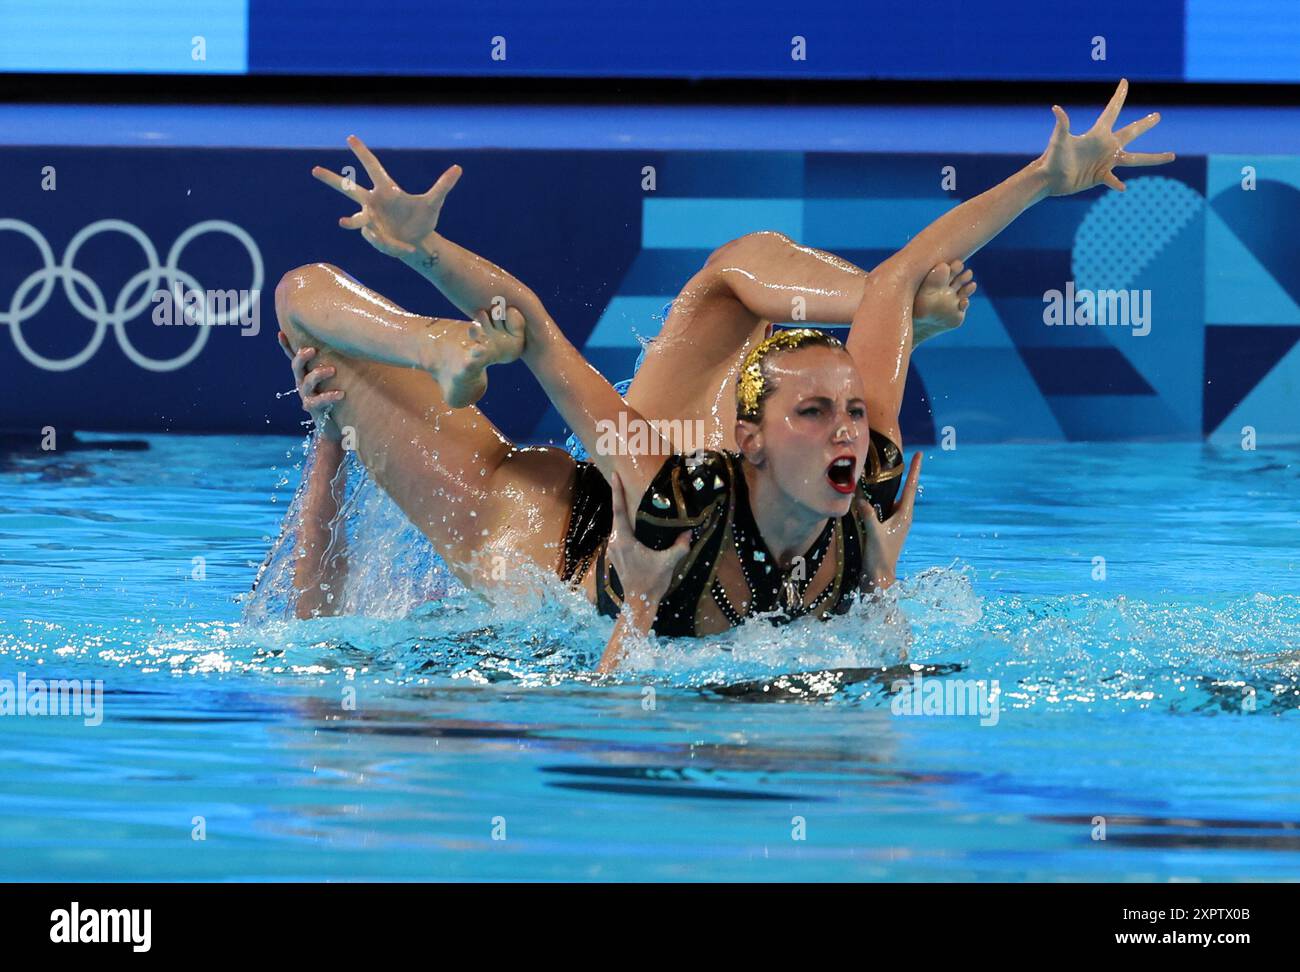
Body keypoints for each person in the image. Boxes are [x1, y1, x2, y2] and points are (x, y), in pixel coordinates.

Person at [272, 80, 1171, 658]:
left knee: (836, 309)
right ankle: (431, 347)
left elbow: (898, 276)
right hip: (535, 532)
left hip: (677, 497)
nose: (851, 428)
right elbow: (543, 338)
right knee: (304, 298)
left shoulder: (868, 472)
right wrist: (425, 251)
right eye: (816, 413)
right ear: (745, 438)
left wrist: (1042, 183)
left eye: (850, 410)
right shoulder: (674, 487)